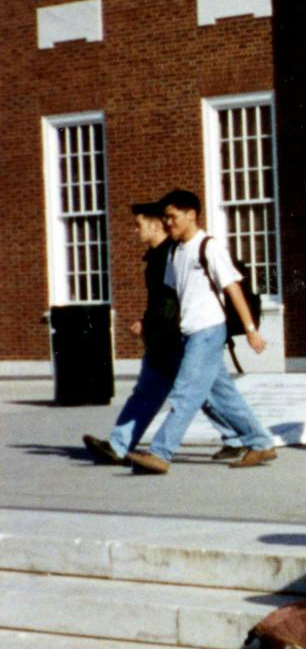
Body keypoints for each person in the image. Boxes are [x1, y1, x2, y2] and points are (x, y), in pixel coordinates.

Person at [127, 190, 278, 475]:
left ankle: (160, 453)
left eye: (172, 217)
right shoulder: (175, 251)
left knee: (185, 392)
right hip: (189, 332)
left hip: (208, 330)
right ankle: (259, 443)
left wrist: (250, 330)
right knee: (222, 395)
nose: (167, 223)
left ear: (191, 215)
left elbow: (233, 288)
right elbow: (171, 295)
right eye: (165, 218)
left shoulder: (208, 247)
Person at [83, 199, 242, 465]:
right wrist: (147, 323)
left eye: (139, 225)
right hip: (170, 337)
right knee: (166, 391)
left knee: (201, 393)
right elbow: (159, 302)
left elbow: (176, 302)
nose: (135, 231)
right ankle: (119, 444)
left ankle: (241, 438)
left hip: (180, 337)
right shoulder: (158, 256)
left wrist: (159, 332)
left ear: (156, 225)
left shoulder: (172, 254)